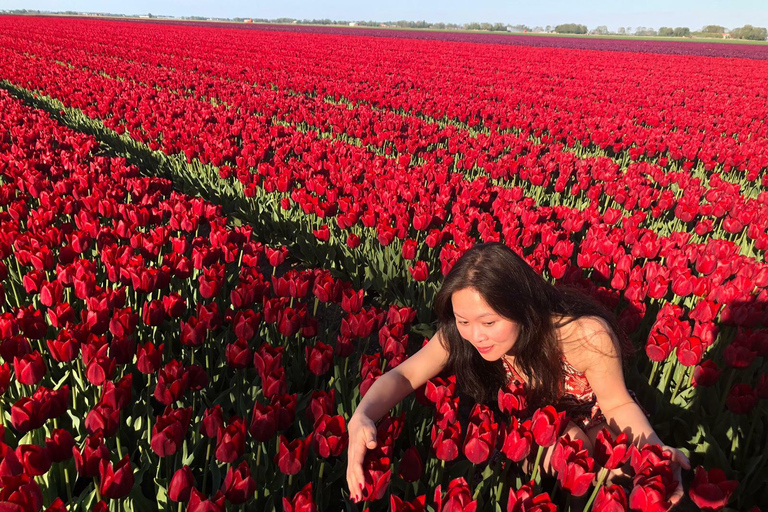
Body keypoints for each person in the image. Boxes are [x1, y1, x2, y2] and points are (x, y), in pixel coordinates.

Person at [346, 242, 691, 504]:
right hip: (537, 427)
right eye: (464, 321)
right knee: (569, 456)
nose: (476, 335)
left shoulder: (583, 335)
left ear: (523, 306)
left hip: (596, 419)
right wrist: (361, 416)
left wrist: (656, 453)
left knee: (628, 481)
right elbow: (404, 376)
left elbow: (617, 404)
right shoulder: (460, 332)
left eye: (490, 322)